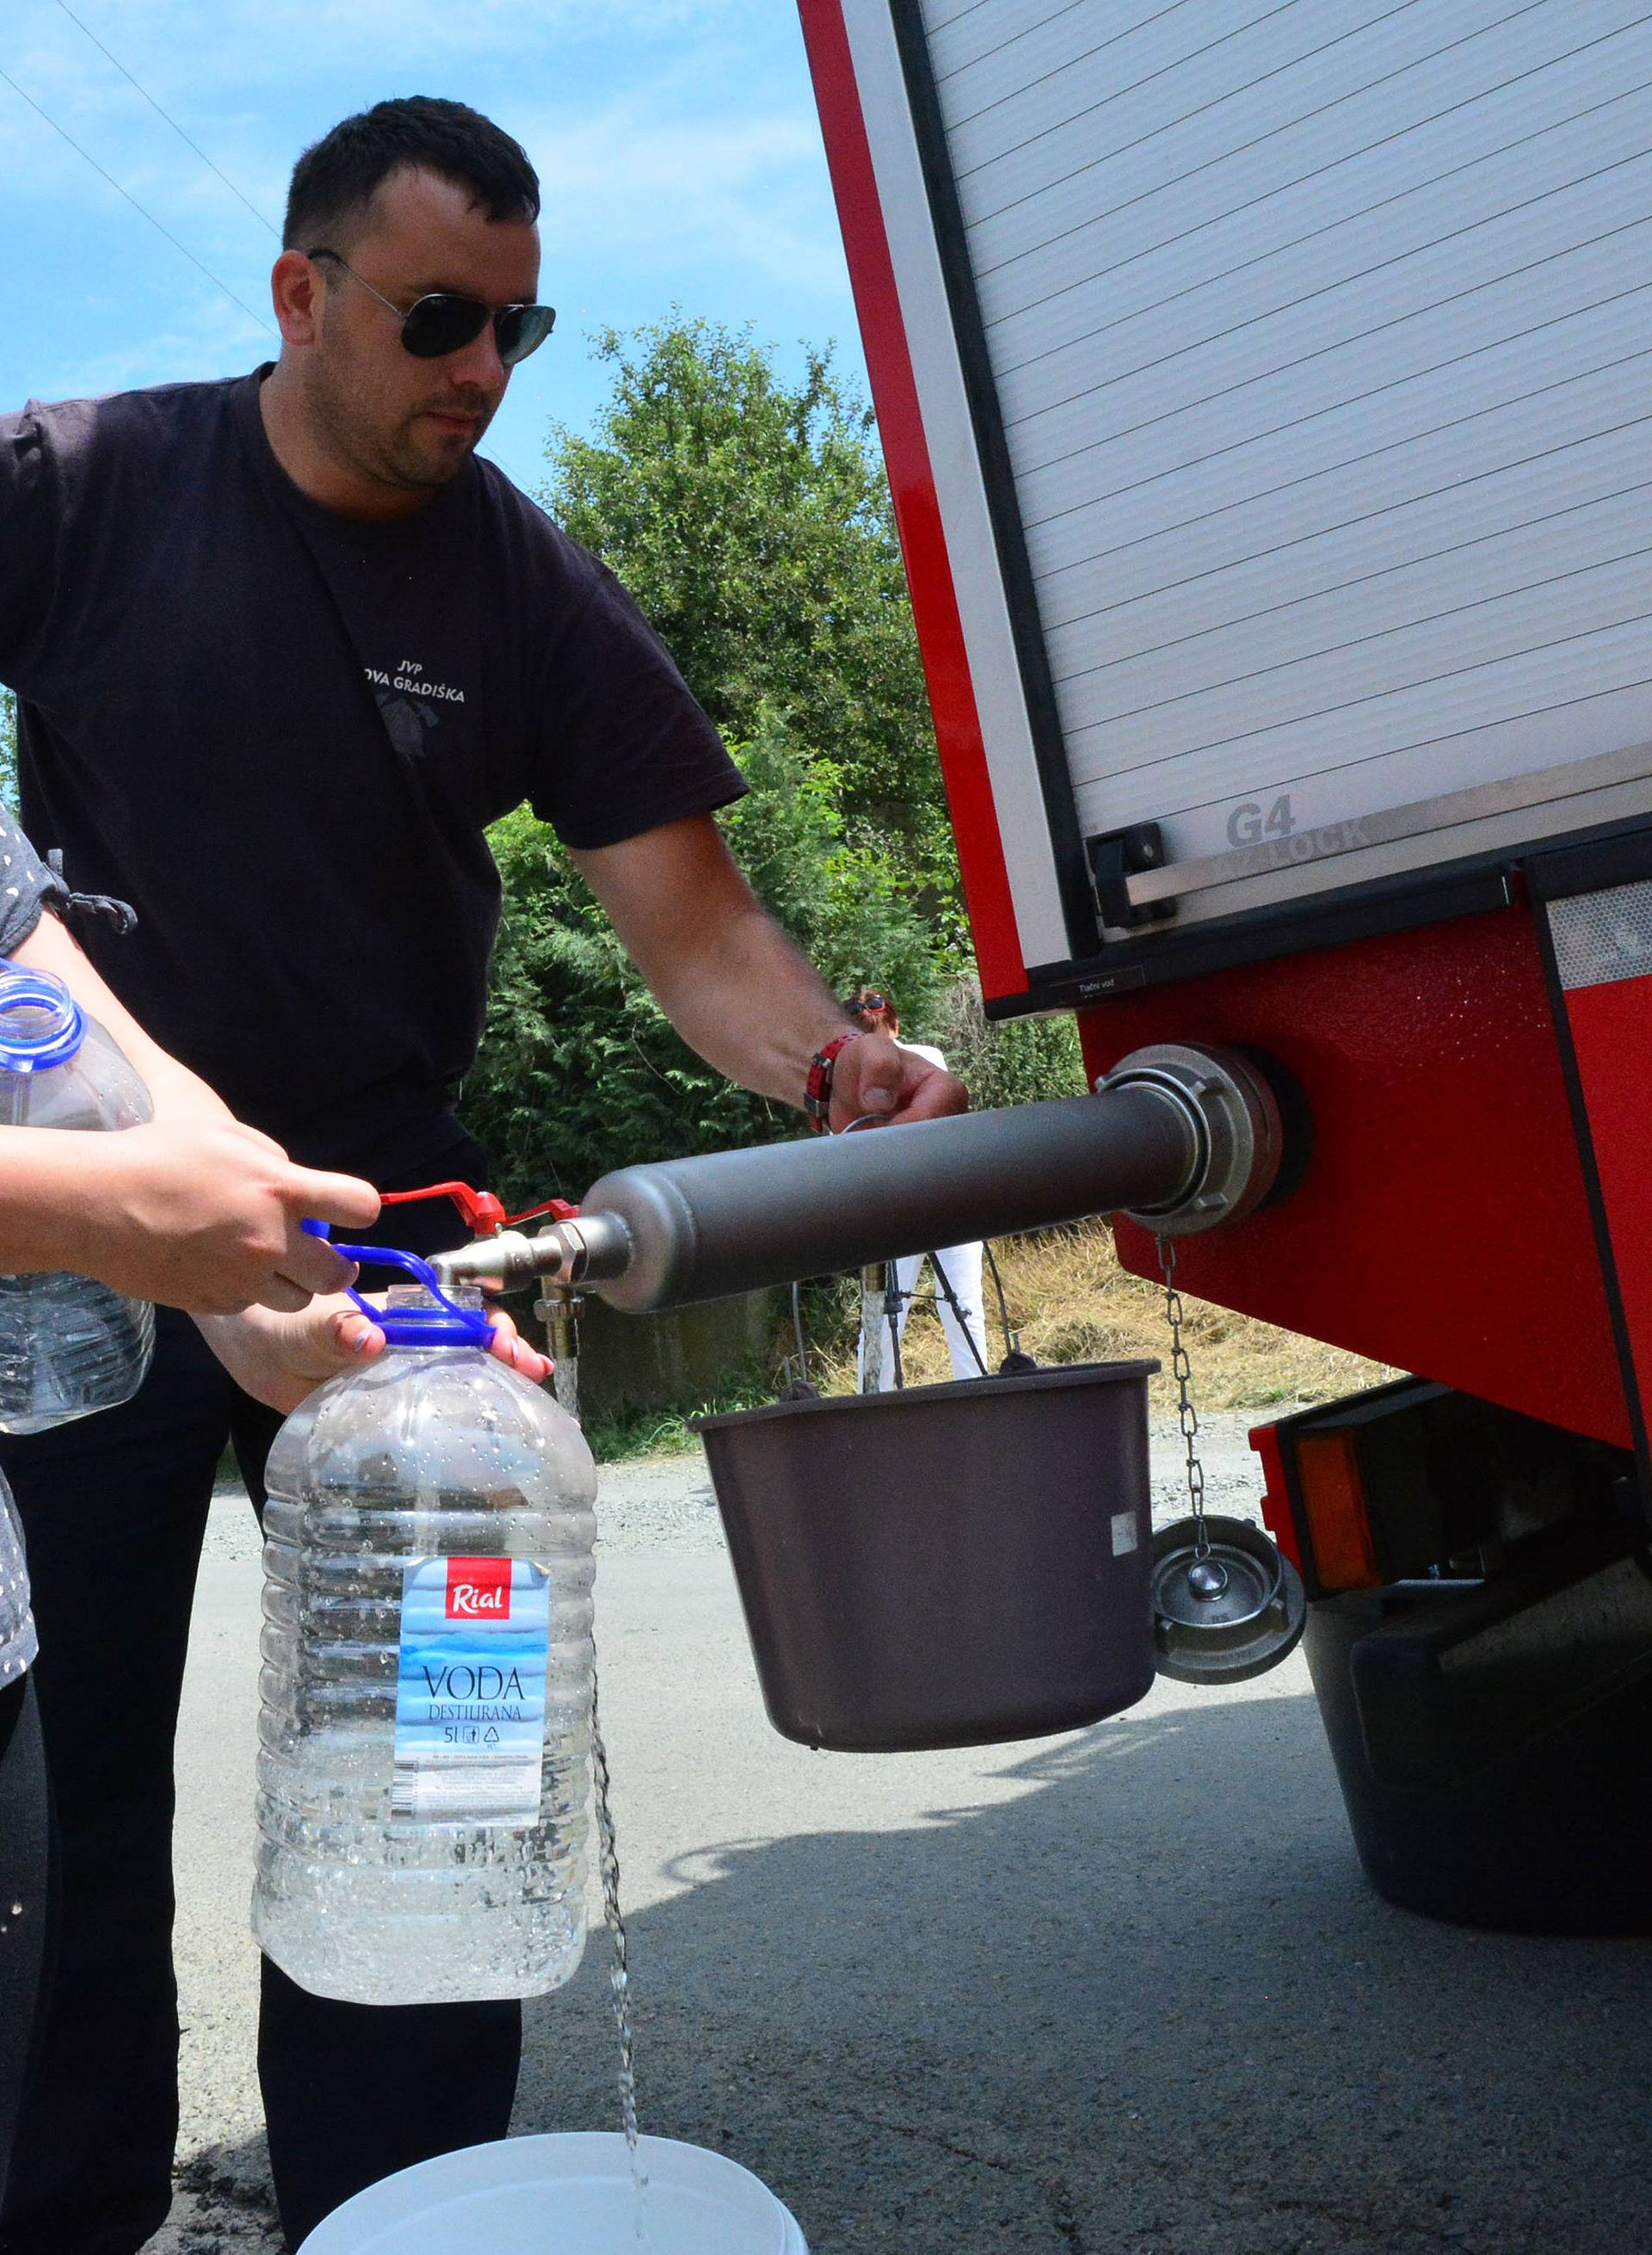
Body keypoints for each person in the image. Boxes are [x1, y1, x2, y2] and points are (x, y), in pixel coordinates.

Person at [0, 95, 966, 2254]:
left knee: (440, 1771)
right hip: (78, 1221)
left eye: (521, 330)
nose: (484, 372)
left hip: (394, 1235)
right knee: (61, 1815)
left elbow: (696, 925)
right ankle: (61, 2210)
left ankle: (412, 2208)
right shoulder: (86, 485)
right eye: (444, 318)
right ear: (301, 290)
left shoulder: (517, 573)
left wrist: (829, 1057)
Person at [0, 807, 555, 2217]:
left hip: (282, 1221)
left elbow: (77, 1035)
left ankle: (402, 2210)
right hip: (96, 1269)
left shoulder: (521, 604)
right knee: (88, 1838)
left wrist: (248, 1289)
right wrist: (89, 1212)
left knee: (436, 1764)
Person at [847, 988, 989, 1390]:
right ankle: (975, 1398)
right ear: (896, 1023)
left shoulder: (913, 1063)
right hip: (945, 1195)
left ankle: (870, 1403)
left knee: (886, 1314)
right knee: (960, 1309)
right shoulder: (925, 1059)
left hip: (915, 1200)